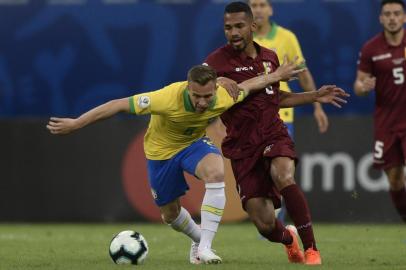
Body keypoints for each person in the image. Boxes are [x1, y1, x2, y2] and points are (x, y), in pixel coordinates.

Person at [47, 64, 345, 264]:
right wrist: (76, 123)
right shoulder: (166, 97)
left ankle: (205, 247)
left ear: (215, 88)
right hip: (161, 153)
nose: (203, 103)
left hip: (192, 146)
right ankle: (197, 238)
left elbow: (253, 84)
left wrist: (278, 74)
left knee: (217, 170)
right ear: (187, 88)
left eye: (207, 96)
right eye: (197, 96)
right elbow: (117, 105)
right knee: (170, 214)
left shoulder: (222, 96)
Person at [204, 2, 347, 265]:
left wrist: (313, 96)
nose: (233, 32)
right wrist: (216, 82)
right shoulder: (215, 62)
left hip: (273, 133)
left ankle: (312, 249)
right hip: (242, 147)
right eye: (228, 27)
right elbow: (196, 88)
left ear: (253, 26)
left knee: (283, 175)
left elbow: (275, 97)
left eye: (239, 26)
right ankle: (288, 240)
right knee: (265, 224)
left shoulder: (270, 57)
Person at [248, 0, 329, 223]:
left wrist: (317, 106)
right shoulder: (243, 39)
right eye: (253, 5)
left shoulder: (286, 37)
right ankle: (269, 219)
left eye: (262, 4)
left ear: (270, 9)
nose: (258, 9)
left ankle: (278, 219)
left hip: (280, 112)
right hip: (251, 114)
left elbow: (302, 73)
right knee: (257, 173)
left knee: (280, 169)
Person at [354, 0, 406, 222]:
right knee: (395, 179)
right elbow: (358, 86)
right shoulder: (371, 48)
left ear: (404, 17)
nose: (392, 18)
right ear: (381, 18)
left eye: (396, 13)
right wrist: (363, 88)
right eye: (388, 14)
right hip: (386, 123)